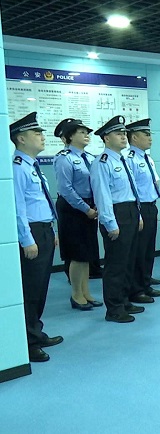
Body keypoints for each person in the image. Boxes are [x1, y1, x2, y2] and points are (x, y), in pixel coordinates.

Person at [11, 112, 63, 362]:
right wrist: (27, 239)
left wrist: (51, 230)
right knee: (31, 289)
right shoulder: (18, 168)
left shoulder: (32, 165)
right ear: (21, 138)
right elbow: (17, 207)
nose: (42, 137)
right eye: (36, 133)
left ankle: (36, 331)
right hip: (31, 232)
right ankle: (29, 342)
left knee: (41, 287)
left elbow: (40, 202)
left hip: (43, 230)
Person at [90, 115, 145, 323]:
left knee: (129, 260)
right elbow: (102, 195)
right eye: (118, 134)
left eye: (124, 133)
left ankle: (124, 300)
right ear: (106, 138)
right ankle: (113, 308)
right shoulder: (102, 162)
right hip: (116, 214)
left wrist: (138, 214)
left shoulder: (123, 159)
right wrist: (109, 223)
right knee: (116, 264)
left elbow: (131, 190)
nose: (123, 137)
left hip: (130, 211)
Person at [52, 118, 102, 311]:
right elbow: (66, 189)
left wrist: (94, 206)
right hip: (72, 209)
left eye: (86, 132)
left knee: (87, 254)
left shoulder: (89, 157)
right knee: (76, 254)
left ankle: (86, 292)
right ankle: (76, 294)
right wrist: (86, 209)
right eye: (81, 132)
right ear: (69, 137)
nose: (86, 135)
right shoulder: (64, 158)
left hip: (89, 207)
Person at [125, 118, 160, 303]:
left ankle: (146, 283)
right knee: (139, 251)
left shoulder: (147, 158)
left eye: (150, 134)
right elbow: (131, 189)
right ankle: (136, 290)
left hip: (151, 206)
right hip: (139, 208)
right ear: (134, 137)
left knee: (149, 249)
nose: (150, 138)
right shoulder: (130, 159)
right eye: (146, 134)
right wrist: (138, 213)